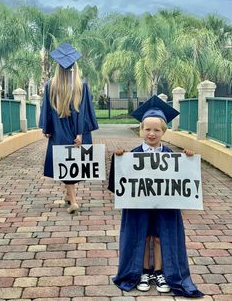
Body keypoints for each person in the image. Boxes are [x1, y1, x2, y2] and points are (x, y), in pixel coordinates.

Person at [108, 95, 204, 298]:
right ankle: (143, 272)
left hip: (165, 206)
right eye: (147, 129)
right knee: (143, 236)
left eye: (157, 130)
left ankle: (160, 273)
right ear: (141, 130)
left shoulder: (172, 156)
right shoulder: (131, 155)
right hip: (139, 206)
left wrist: (187, 158)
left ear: (164, 132)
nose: (152, 133)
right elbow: (118, 185)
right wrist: (118, 160)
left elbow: (185, 179)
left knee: (160, 237)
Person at [39, 42, 98, 214]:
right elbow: (84, 113)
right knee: (72, 165)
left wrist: (47, 129)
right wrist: (80, 133)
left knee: (67, 164)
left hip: (59, 131)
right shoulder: (82, 86)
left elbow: (47, 111)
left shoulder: (51, 85)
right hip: (77, 130)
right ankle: (73, 200)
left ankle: (69, 196)